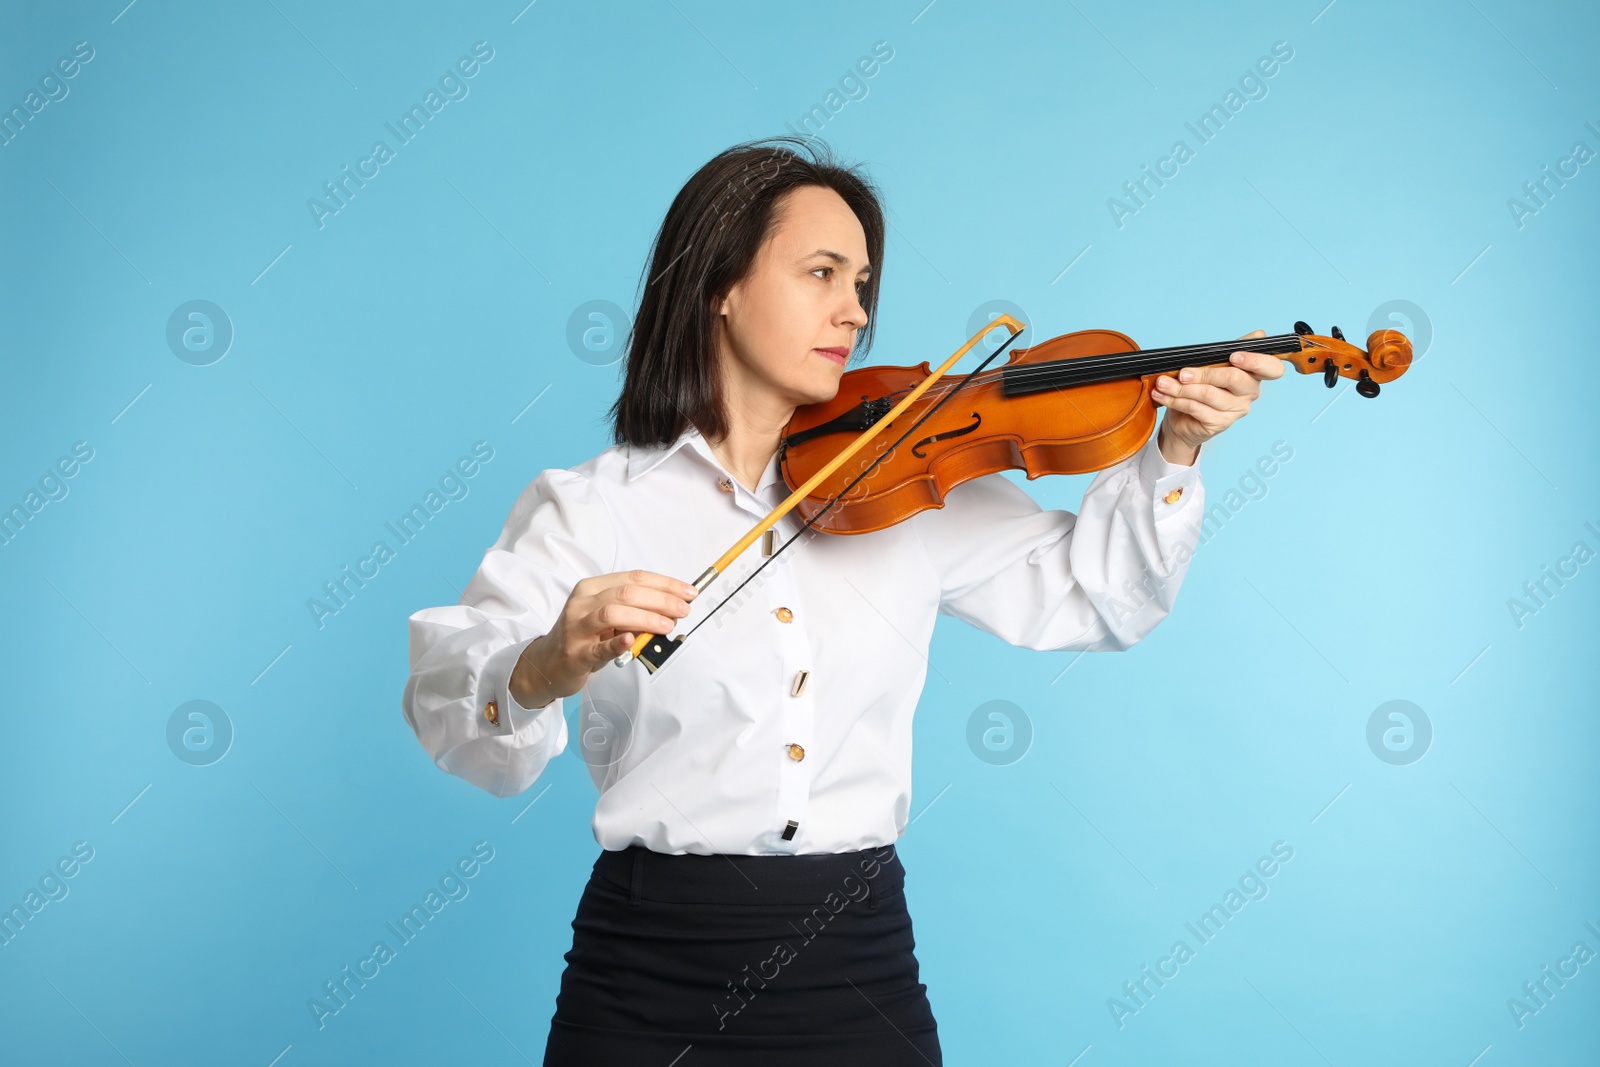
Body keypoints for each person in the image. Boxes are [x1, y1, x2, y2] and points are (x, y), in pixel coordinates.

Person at [400, 135, 1281, 1065]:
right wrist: (542, 664)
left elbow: (1102, 600)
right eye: (821, 273)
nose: (853, 312)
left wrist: (1172, 449)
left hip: (856, 960)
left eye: (861, 284)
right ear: (720, 285)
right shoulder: (591, 505)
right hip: (647, 972)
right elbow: (451, 711)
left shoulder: (906, 478)